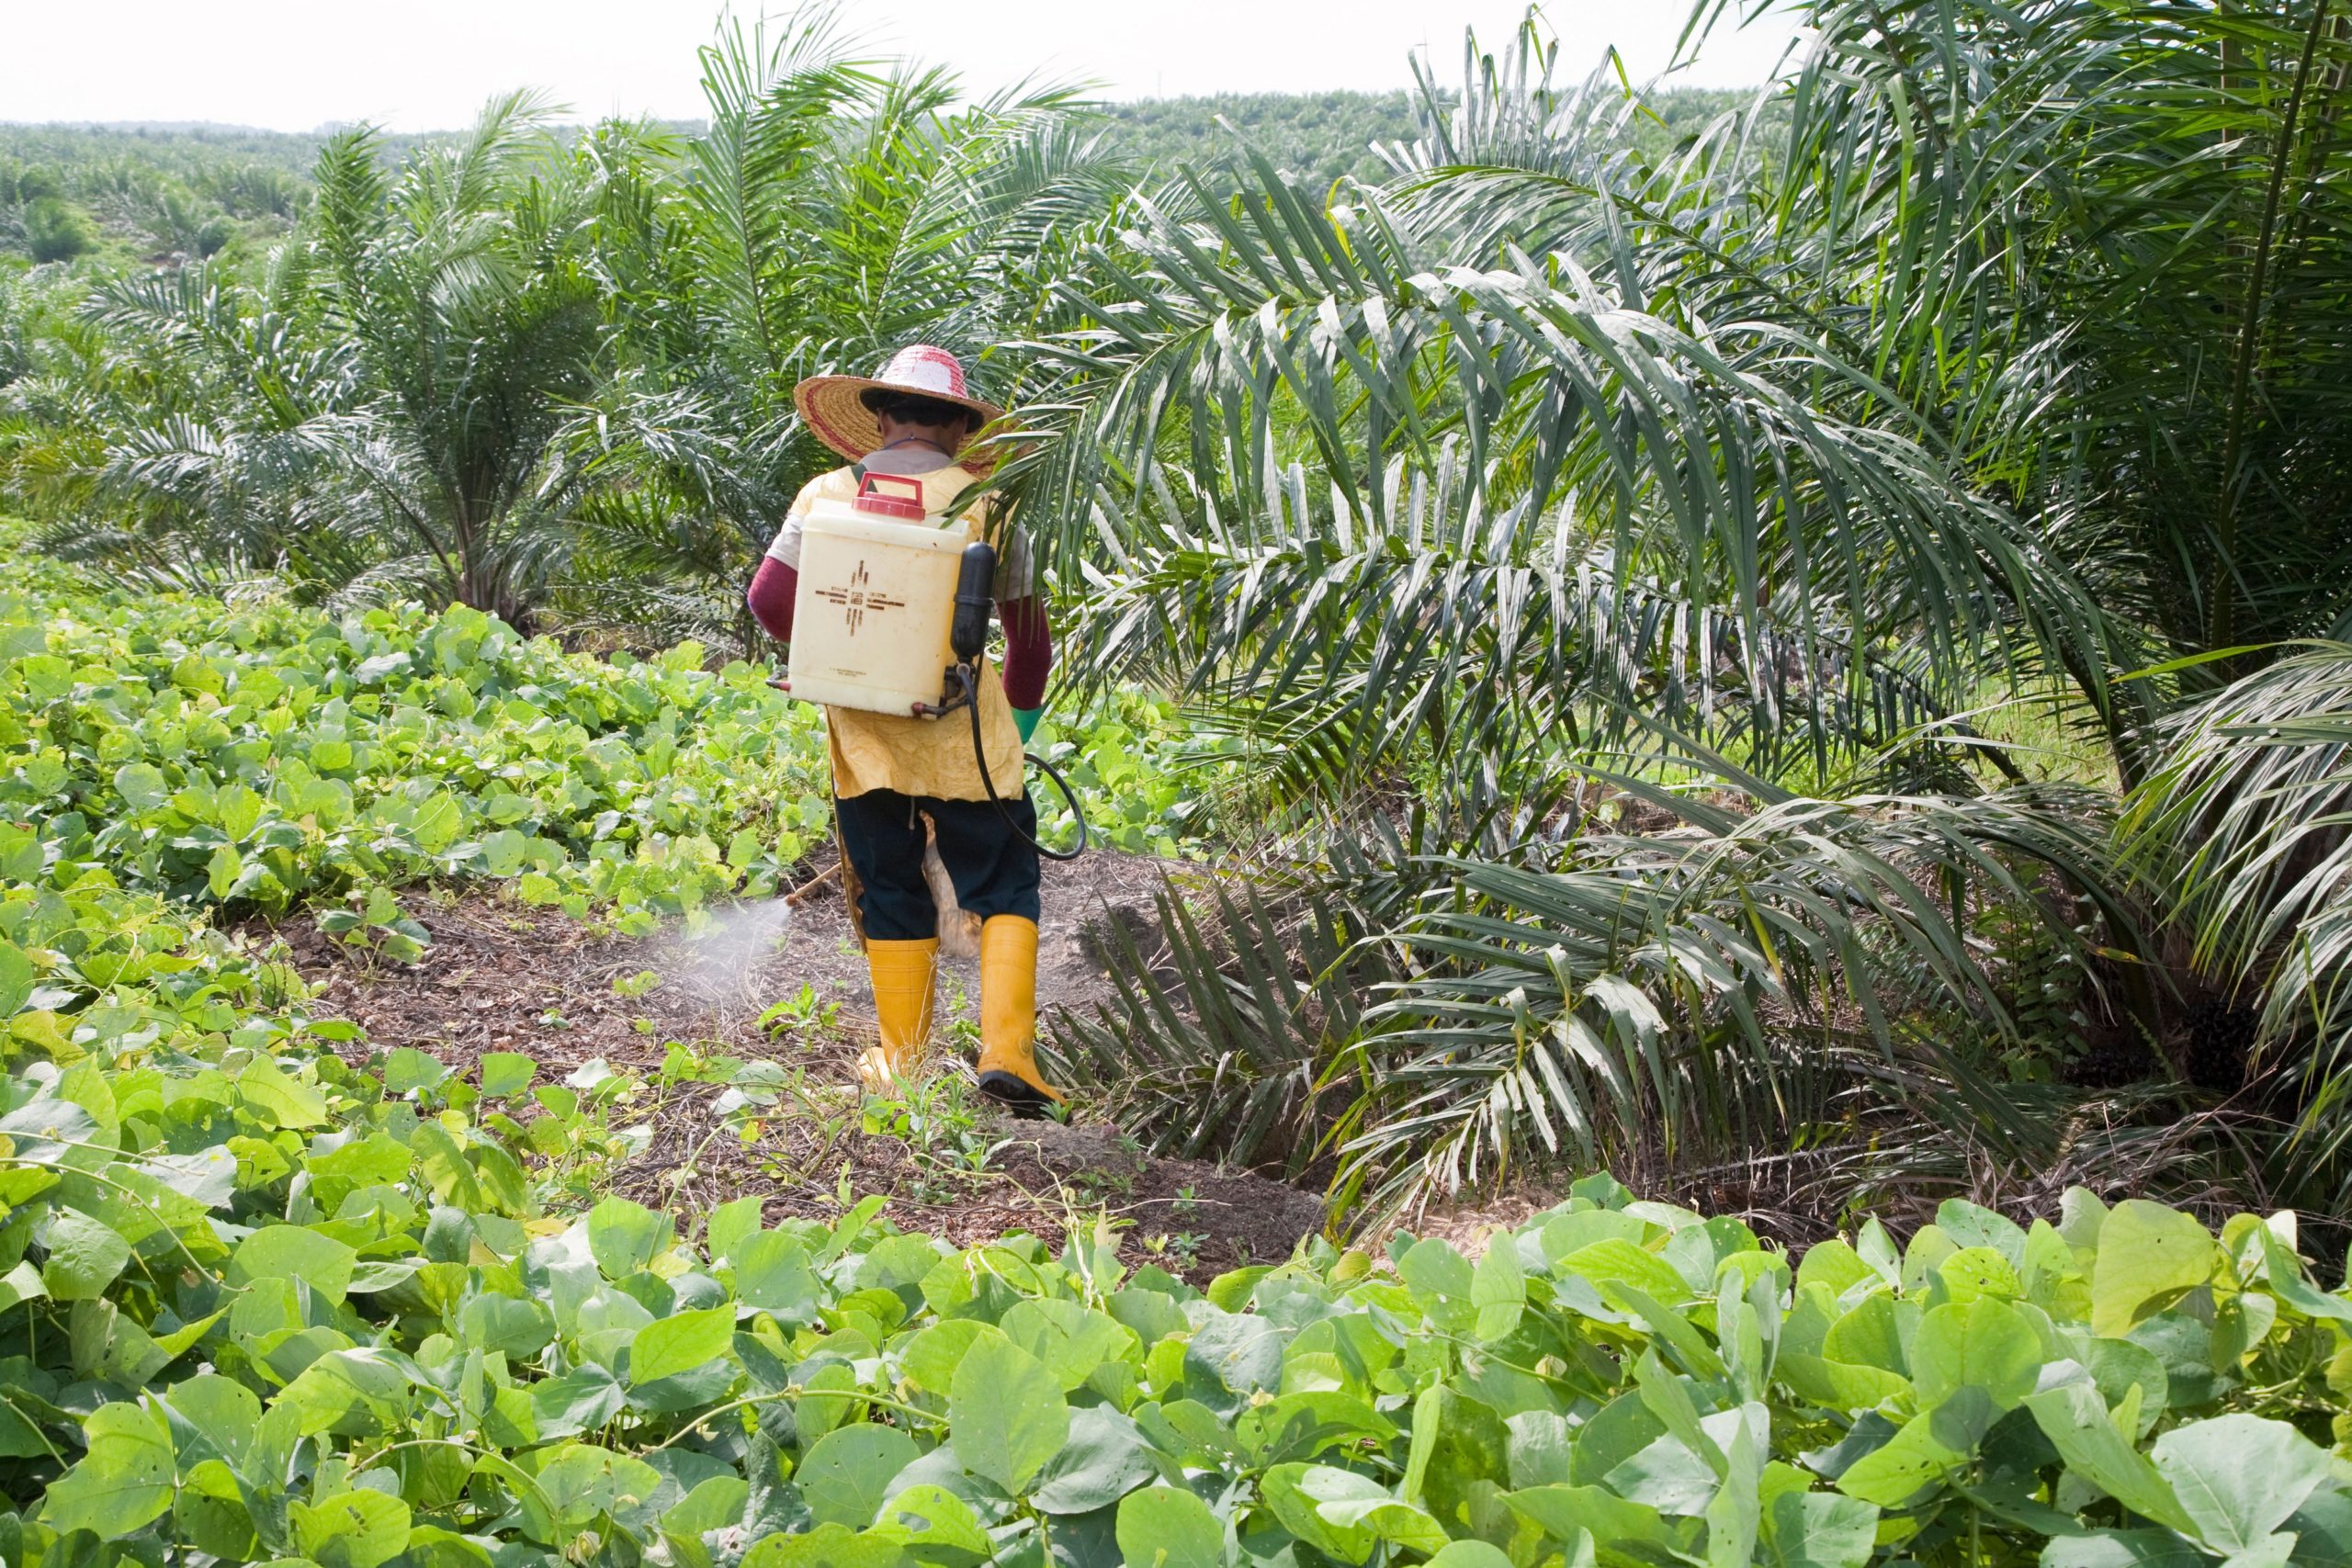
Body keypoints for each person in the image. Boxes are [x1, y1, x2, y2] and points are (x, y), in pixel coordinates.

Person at [744, 344, 1063, 1112]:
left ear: (882, 419)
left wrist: (840, 656)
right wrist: (1014, 726)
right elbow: (1031, 642)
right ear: (959, 428)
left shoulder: (824, 493)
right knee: (1004, 881)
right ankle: (1009, 1052)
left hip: (865, 734)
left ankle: (903, 1062)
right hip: (964, 735)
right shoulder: (990, 504)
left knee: (888, 883)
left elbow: (768, 601)